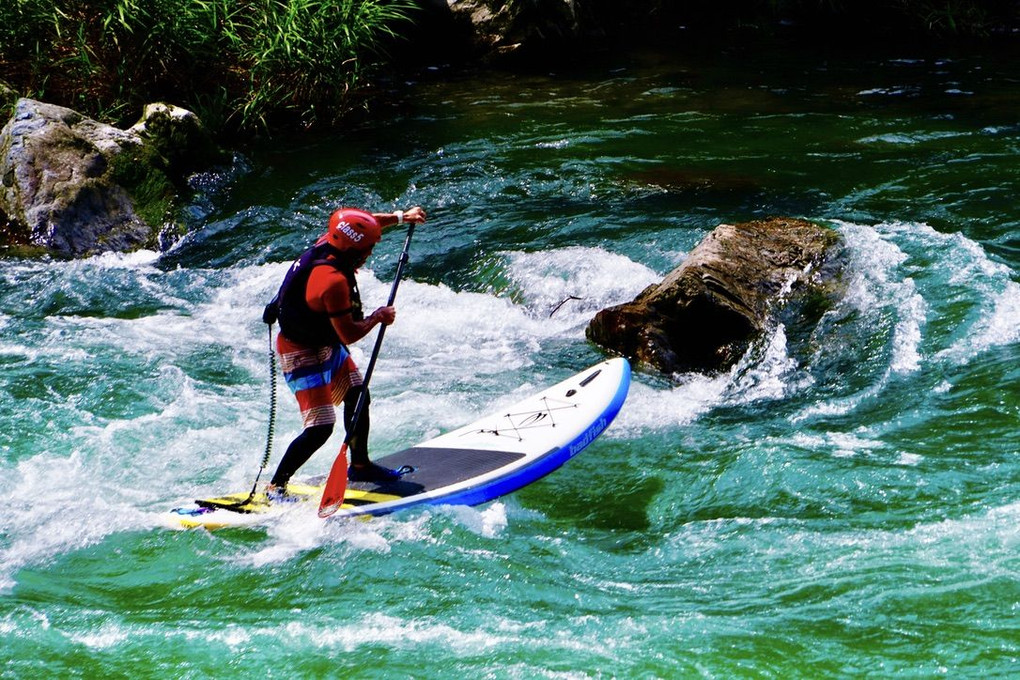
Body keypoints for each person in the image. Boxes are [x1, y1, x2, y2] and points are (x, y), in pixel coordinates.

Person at [266, 205, 427, 498]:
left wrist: (403, 217)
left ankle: (361, 465)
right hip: (301, 352)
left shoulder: (330, 239)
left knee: (358, 394)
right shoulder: (332, 281)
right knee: (320, 428)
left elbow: (366, 224)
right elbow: (349, 334)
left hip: (324, 341)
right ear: (351, 249)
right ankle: (276, 486)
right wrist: (378, 317)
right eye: (366, 250)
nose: (369, 254)